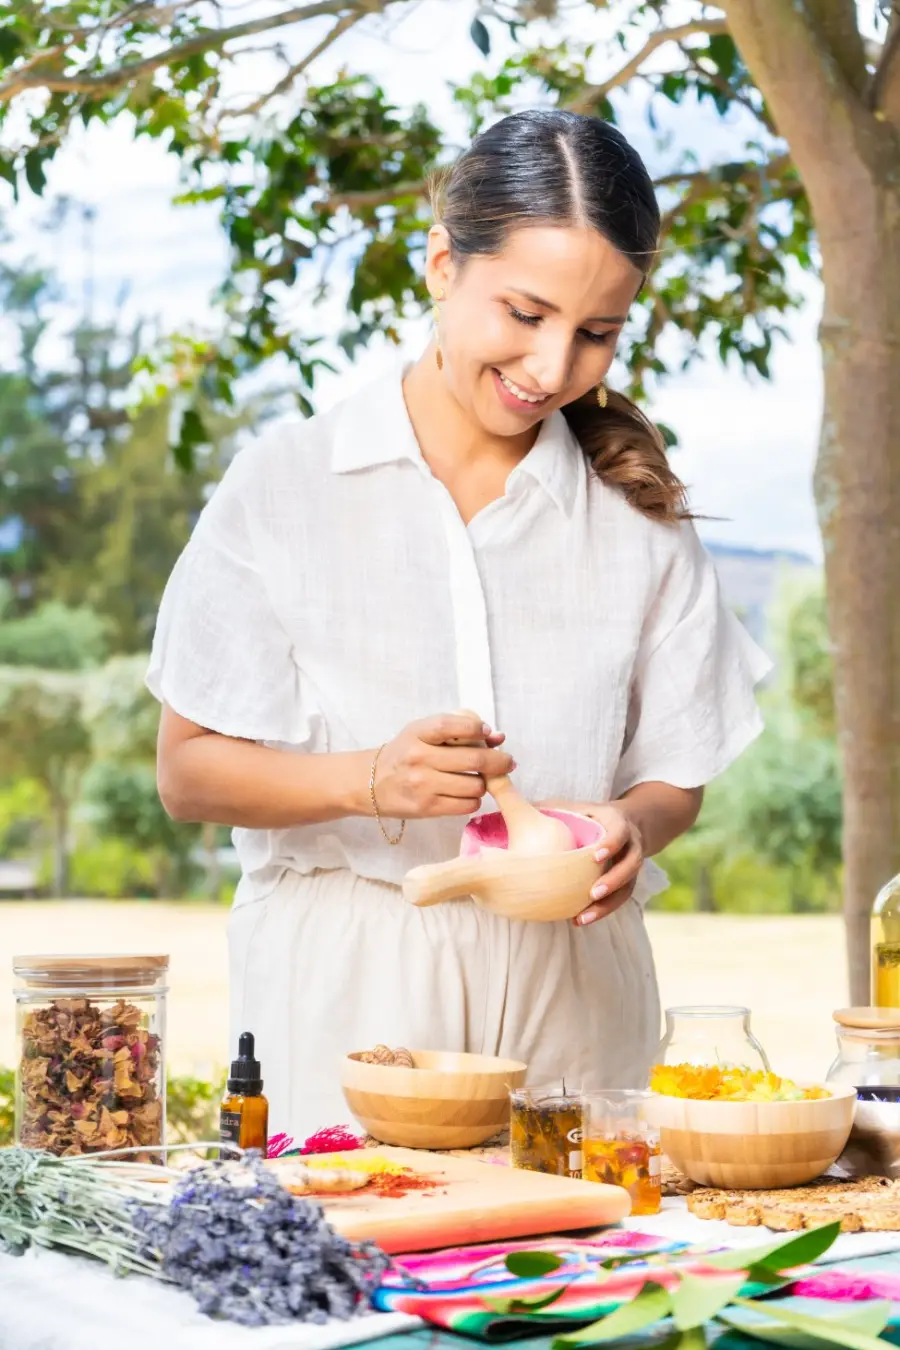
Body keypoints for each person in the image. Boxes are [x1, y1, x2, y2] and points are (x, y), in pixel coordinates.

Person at [147, 108, 770, 1142]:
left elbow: (674, 774)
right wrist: (366, 779)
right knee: (358, 1284)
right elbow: (188, 771)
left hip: (574, 989)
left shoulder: (639, 519)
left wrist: (632, 828)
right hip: (351, 985)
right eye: (524, 311)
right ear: (442, 262)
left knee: (567, 1292)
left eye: (597, 332)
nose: (552, 364)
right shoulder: (287, 485)